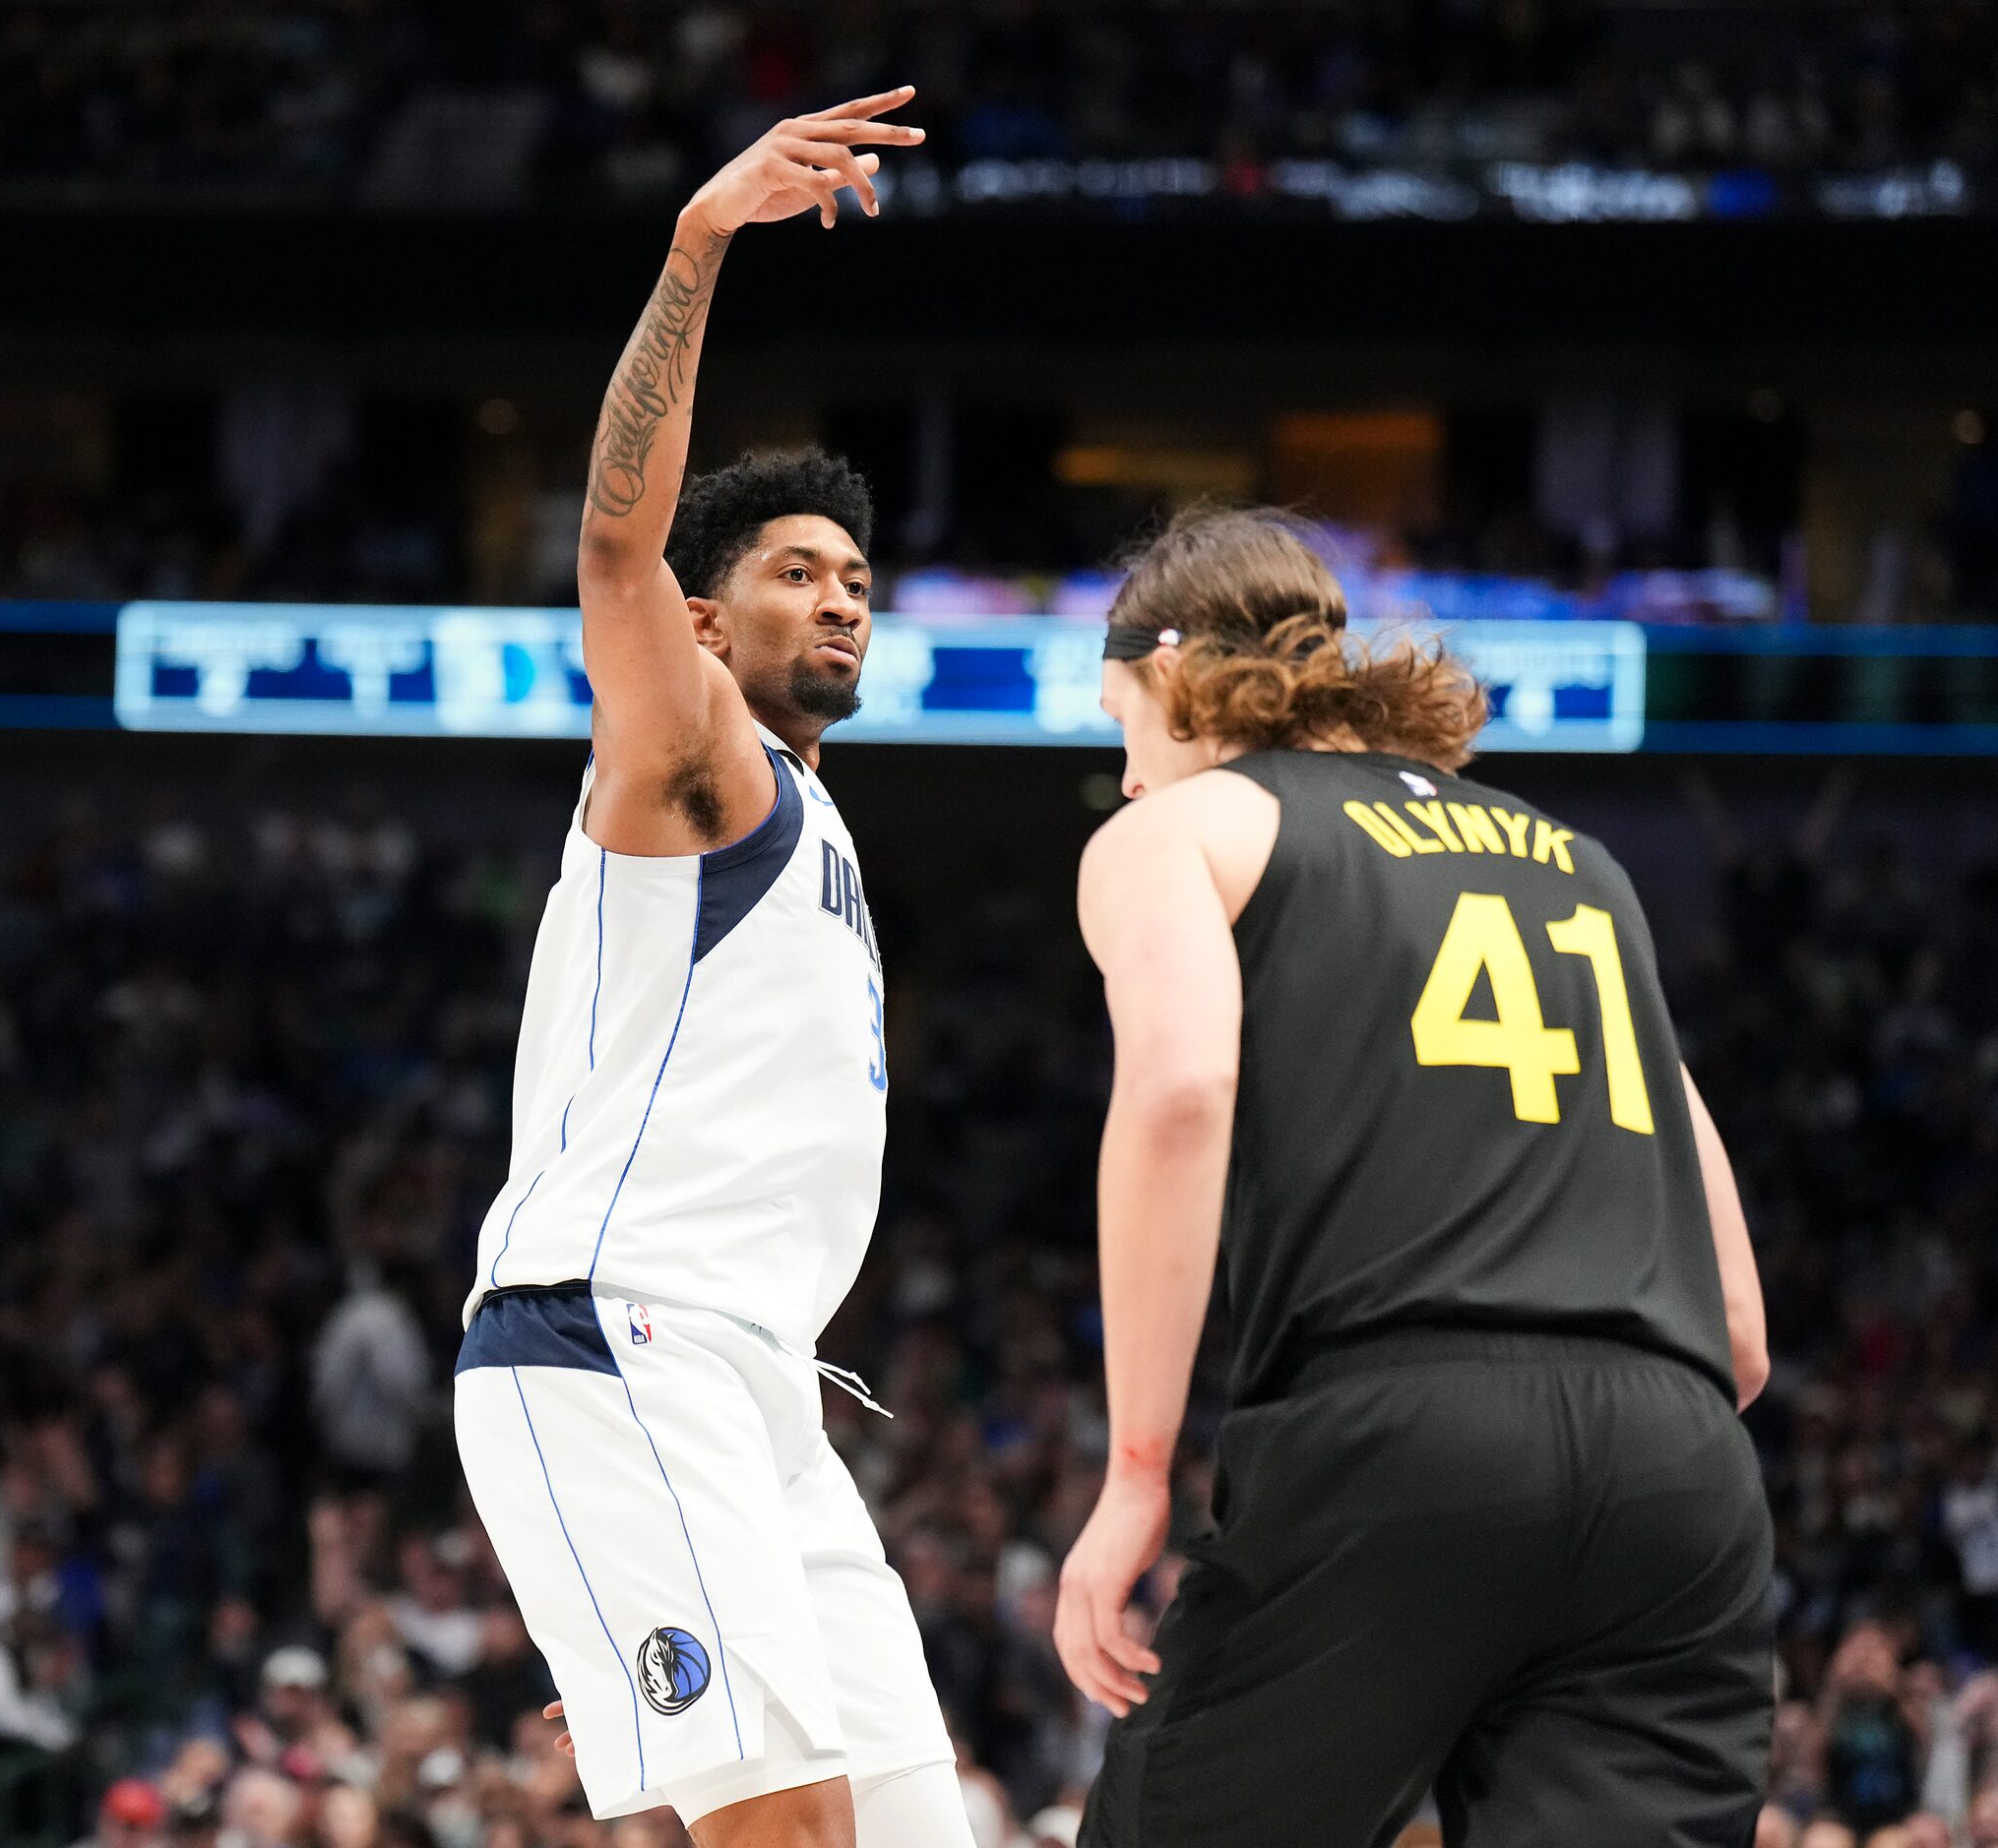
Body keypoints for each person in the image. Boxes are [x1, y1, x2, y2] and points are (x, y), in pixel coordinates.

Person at [1056, 508, 1777, 1844]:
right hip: (1680, 1466)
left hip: (1403, 1432)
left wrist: (1134, 1473)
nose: (1128, 777)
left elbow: (1178, 1091)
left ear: (1169, 675)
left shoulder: (1183, 833)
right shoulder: (1582, 867)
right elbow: (1737, 1326)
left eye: (1118, 728)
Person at [448, 83, 968, 1848]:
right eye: (795, 571)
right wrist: (698, 243)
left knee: (916, 1828)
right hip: (623, 1329)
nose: (841, 600)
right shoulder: (694, 759)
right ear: (701, 620)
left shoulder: (817, 823)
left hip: (753, 1387)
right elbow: (611, 544)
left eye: (858, 579)